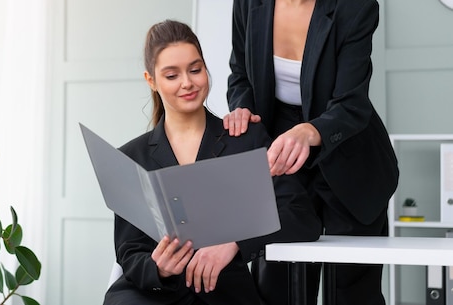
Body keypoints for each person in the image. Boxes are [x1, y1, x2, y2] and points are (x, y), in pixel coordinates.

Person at [223, 0, 399, 304]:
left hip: (348, 163)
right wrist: (242, 109)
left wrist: (309, 131)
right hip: (280, 164)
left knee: (350, 295)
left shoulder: (355, 8)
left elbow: (351, 104)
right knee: (275, 289)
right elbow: (239, 74)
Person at [104, 19, 320, 305]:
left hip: (222, 294)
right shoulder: (132, 157)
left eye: (195, 69)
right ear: (151, 81)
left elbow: (301, 215)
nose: (187, 83)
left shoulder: (244, 140)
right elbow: (130, 250)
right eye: (172, 76)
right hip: (154, 295)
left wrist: (236, 243)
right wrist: (159, 268)